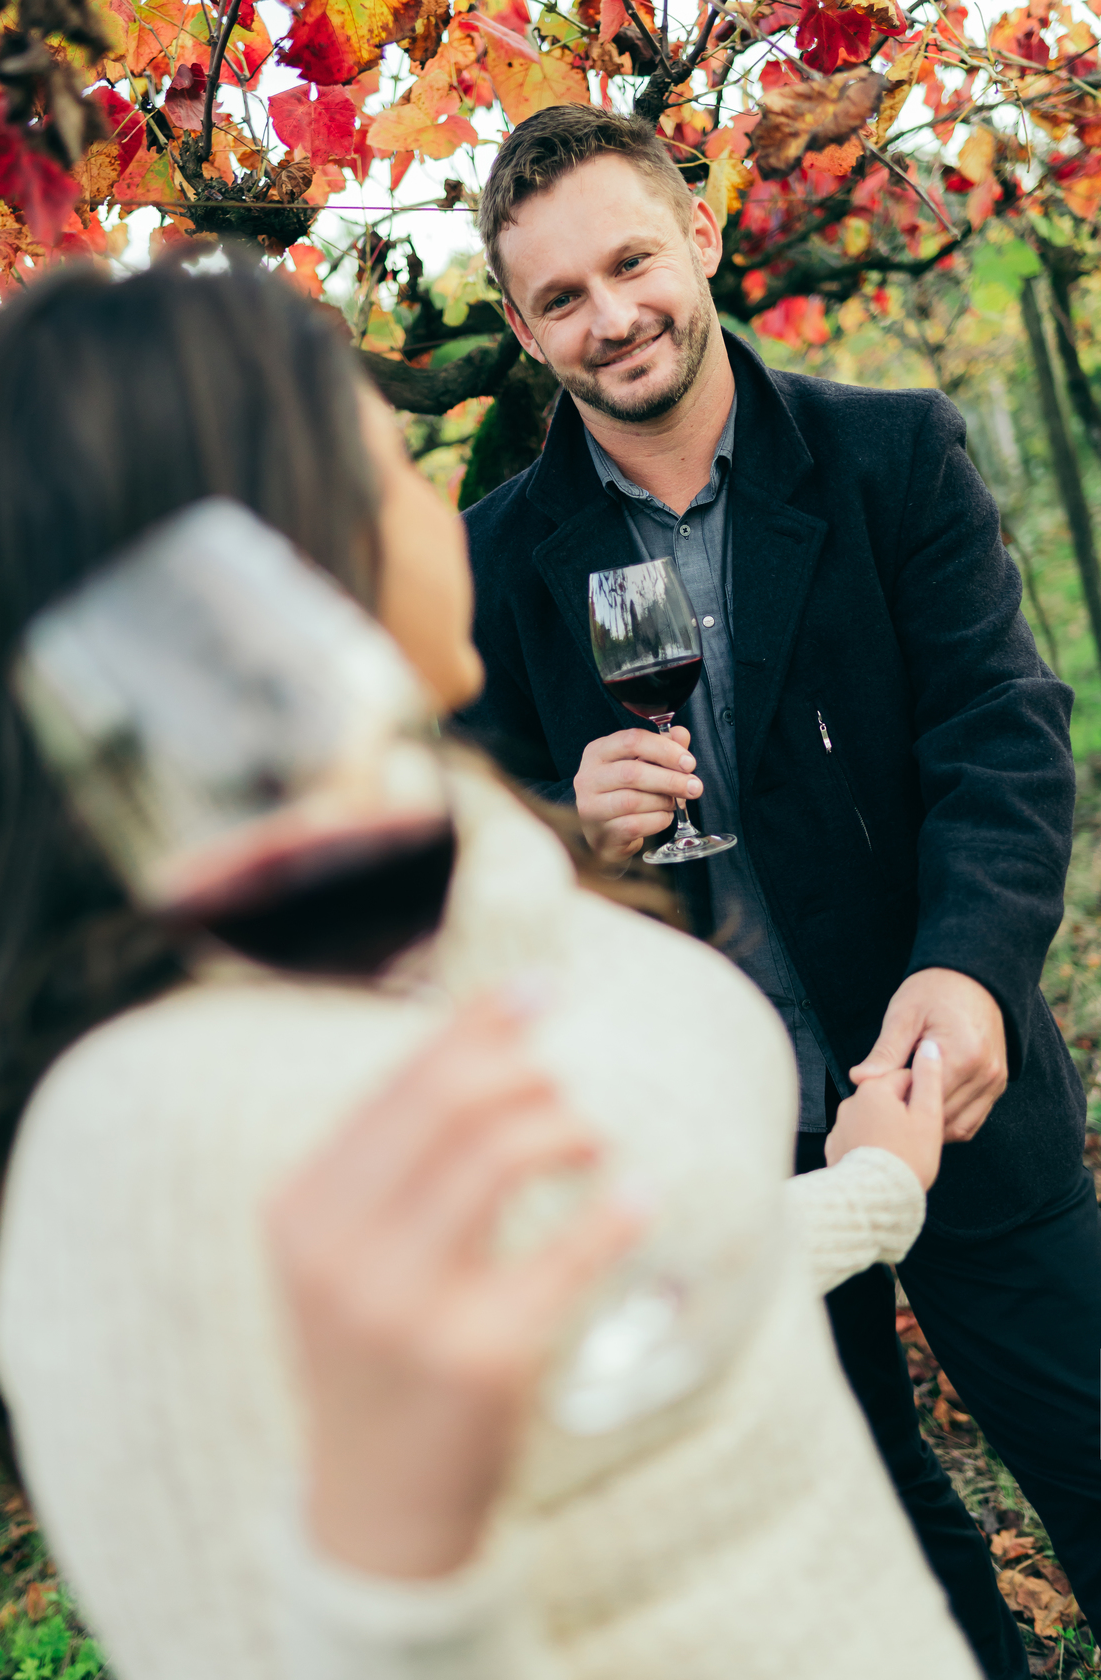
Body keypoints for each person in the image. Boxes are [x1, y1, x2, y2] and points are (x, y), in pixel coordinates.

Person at [0, 259, 977, 1678]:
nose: (446, 513)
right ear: (282, 547)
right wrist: (402, 1553)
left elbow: (627, 1283)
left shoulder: (474, 863)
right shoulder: (141, 1149)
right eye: (391, 470)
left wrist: (873, 1191)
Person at [458, 103, 1101, 1677]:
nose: (612, 316)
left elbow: (1000, 732)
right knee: (873, 1537)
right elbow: (472, 868)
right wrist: (565, 829)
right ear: (524, 329)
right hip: (715, 1153)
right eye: (561, 297)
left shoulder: (893, 455)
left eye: (631, 262)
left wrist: (971, 969)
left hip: (938, 1073)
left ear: (700, 235)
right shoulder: (491, 562)